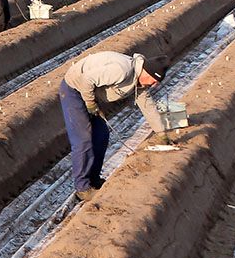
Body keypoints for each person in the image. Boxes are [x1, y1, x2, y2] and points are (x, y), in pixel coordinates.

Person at [60, 52, 169, 200]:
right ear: (147, 72)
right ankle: (82, 188)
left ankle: (94, 179)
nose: (154, 84)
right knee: (83, 140)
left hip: (89, 94)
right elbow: (87, 79)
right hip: (74, 90)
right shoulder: (121, 70)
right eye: (155, 80)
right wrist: (90, 103)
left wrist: (162, 133)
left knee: (102, 134)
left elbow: (148, 106)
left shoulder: (140, 83)